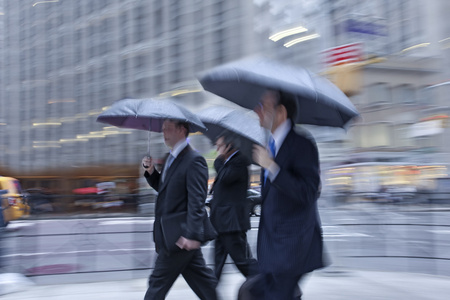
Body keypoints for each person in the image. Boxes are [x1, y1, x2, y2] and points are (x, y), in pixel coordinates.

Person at [241, 90, 325, 300]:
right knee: (249, 293)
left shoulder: (302, 144)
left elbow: (307, 192)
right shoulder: (270, 147)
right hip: (273, 250)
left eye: (263, 106)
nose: (257, 111)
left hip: (292, 249)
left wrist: (271, 167)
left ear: (281, 112)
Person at [141, 119, 217, 300]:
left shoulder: (194, 160)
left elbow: (197, 201)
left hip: (179, 236)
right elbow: (165, 189)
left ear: (182, 130)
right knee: (204, 284)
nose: (164, 132)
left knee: (157, 283)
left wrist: (191, 234)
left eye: (168, 128)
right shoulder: (170, 158)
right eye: (163, 128)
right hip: (174, 235)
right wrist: (151, 172)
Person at [209, 131, 259, 280]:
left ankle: (268, 287)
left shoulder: (240, 161)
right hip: (221, 224)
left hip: (232, 225)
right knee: (217, 266)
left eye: (219, 146)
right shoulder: (228, 163)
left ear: (230, 146)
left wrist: (218, 162)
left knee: (243, 262)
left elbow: (225, 178)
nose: (217, 149)